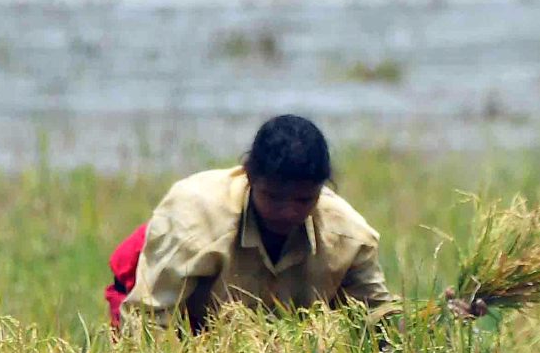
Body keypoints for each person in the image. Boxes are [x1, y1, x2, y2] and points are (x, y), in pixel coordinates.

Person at [116, 114, 396, 332]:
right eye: (273, 197)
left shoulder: (349, 238)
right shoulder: (195, 219)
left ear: (321, 190)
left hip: (266, 345)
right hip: (163, 305)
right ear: (248, 177)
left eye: (303, 201)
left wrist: (431, 319)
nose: (287, 212)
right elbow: (147, 322)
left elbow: (378, 324)